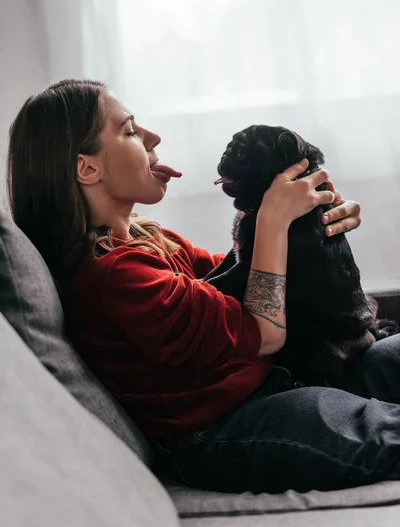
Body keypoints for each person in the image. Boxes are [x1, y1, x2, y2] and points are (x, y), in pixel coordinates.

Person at [6, 78, 400, 494]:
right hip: (226, 426)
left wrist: (315, 227)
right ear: (88, 168)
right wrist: (271, 220)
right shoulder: (113, 276)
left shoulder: (150, 238)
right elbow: (265, 333)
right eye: (129, 131)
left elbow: (255, 278)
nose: (153, 137)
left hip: (282, 379)